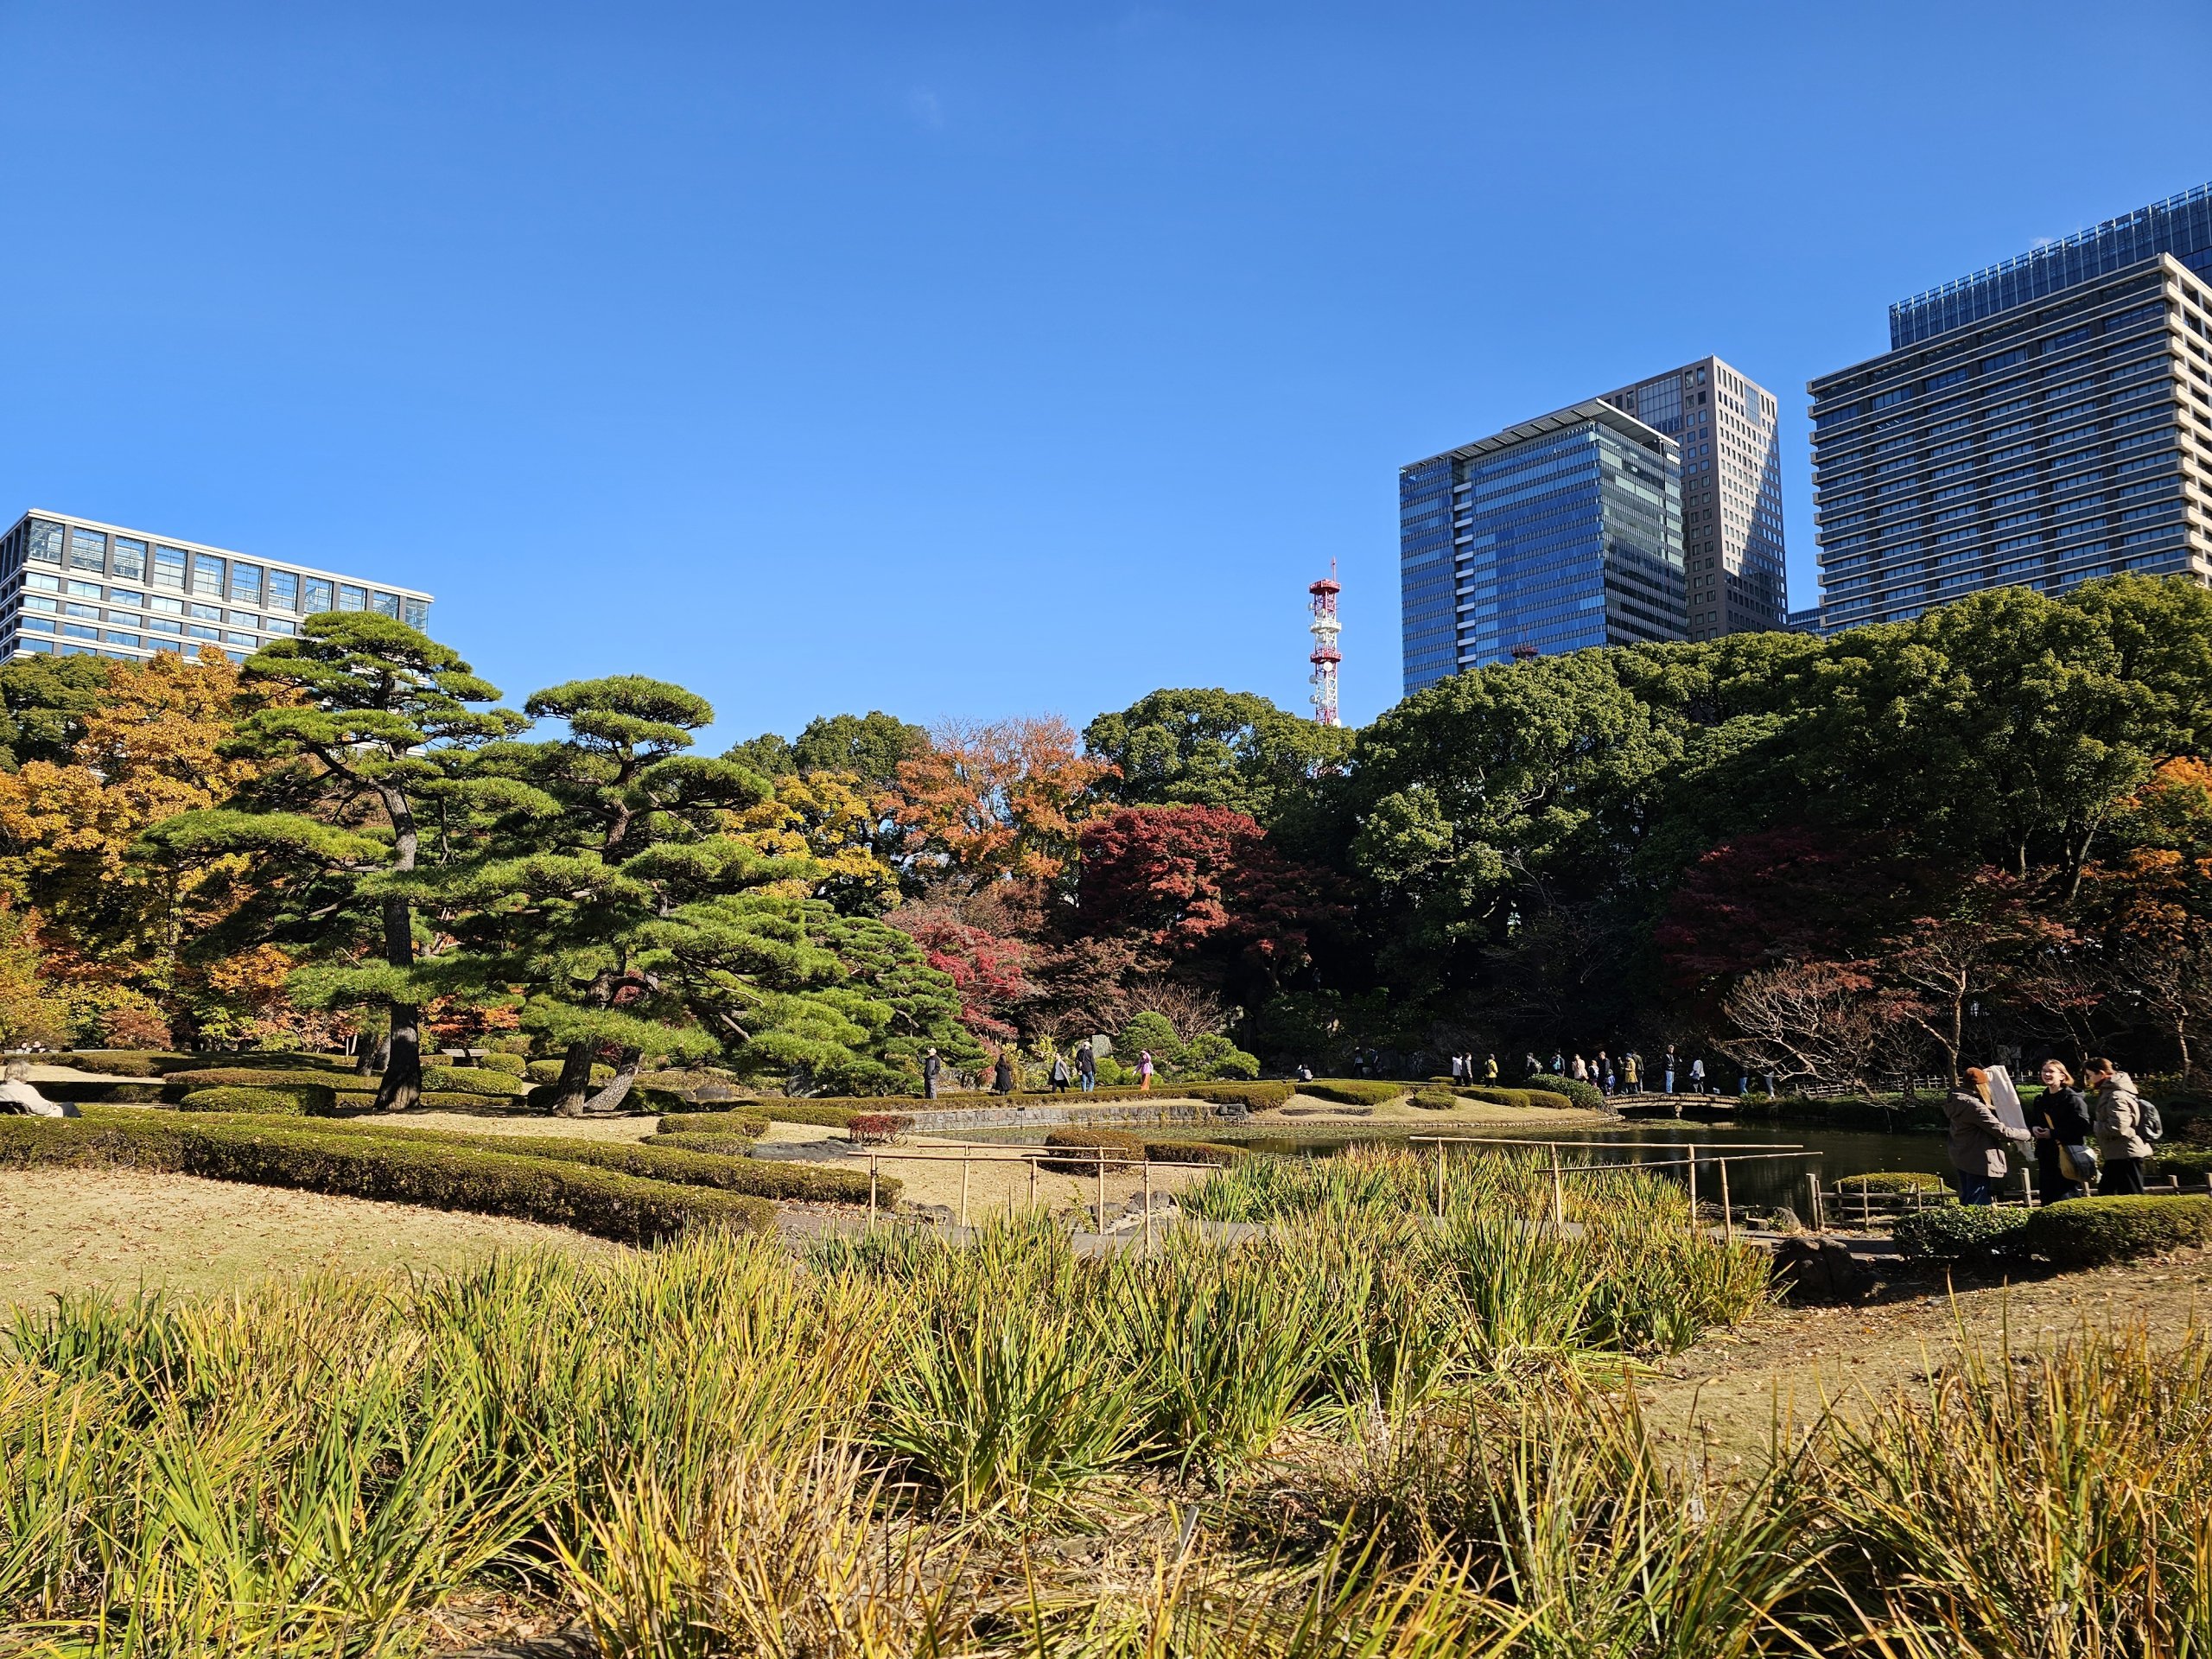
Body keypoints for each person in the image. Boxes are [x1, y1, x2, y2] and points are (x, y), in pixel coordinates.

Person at [1942, 1065, 2031, 1206]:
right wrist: (2027, 1134)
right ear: (1982, 1086)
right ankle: (1978, 1219)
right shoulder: (1975, 1106)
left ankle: (1966, 1217)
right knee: (1978, 1199)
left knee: (1967, 1195)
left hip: (1961, 1154)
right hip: (1978, 1157)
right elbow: (2001, 1131)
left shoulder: (1955, 1099)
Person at [2031, 1058, 2095, 1205]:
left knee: (2066, 1195)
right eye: (2044, 1071)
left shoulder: (2073, 1099)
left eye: (2051, 1071)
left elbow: (2082, 1128)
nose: (2047, 1074)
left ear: (2062, 1076)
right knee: (2047, 1196)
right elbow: (2034, 1121)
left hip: (2068, 1153)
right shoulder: (2040, 1100)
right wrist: (2034, 1128)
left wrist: (2052, 1134)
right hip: (2046, 1154)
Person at [2086, 1056, 2152, 1195]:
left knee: (2130, 1196)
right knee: (2107, 1192)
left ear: (2101, 1073)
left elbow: (2118, 1127)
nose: (2089, 1080)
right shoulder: (2112, 1092)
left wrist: (2094, 1126)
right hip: (2118, 1153)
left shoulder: (2116, 1095)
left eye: (2090, 1075)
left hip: (2126, 1153)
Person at [0, 1059, 74, 1117]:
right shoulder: (26, 1089)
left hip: (15, 1115)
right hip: (35, 1117)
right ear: (23, 1073)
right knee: (70, 1106)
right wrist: (52, 1105)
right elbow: (42, 1109)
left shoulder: (2, 1088)